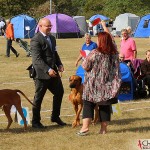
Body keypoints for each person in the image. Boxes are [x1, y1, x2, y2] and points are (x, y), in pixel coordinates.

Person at [76, 21, 121, 136]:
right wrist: (105, 26)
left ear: (100, 41)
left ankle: (85, 128)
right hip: (108, 85)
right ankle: (103, 130)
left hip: (93, 85)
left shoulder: (94, 53)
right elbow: (111, 39)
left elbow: (85, 66)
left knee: (88, 104)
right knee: (105, 106)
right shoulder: (114, 53)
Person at [30, 18, 66, 128]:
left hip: (53, 72)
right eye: (47, 26)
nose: (49, 28)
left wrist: (59, 64)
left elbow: (54, 52)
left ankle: (55, 117)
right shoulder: (36, 40)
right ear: (40, 26)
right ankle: (35, 121)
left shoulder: (52, 38)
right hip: (41, 74)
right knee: (39, 98)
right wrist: (48, 70)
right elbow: (37, 59)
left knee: (59, 92)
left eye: (50, 26)